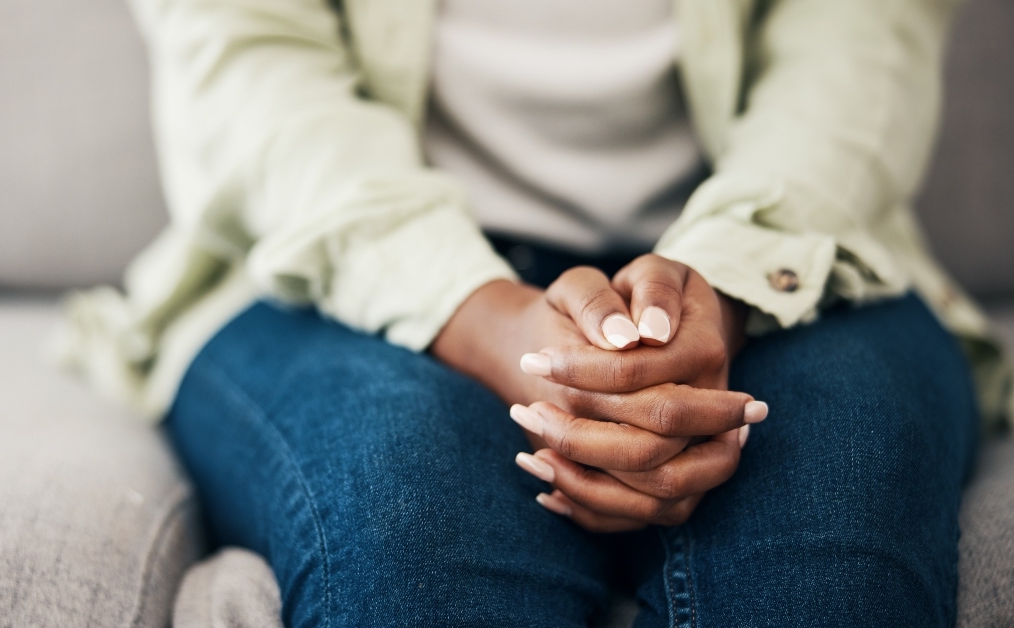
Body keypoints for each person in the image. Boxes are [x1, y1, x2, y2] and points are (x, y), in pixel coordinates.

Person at [56, 0, 1012, 625]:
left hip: (783, 257)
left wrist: (722, 280)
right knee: (413, 528)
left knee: (833, 545)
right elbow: (253, 75)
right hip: (335, 262)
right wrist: (479, 313)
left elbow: (858, 48)